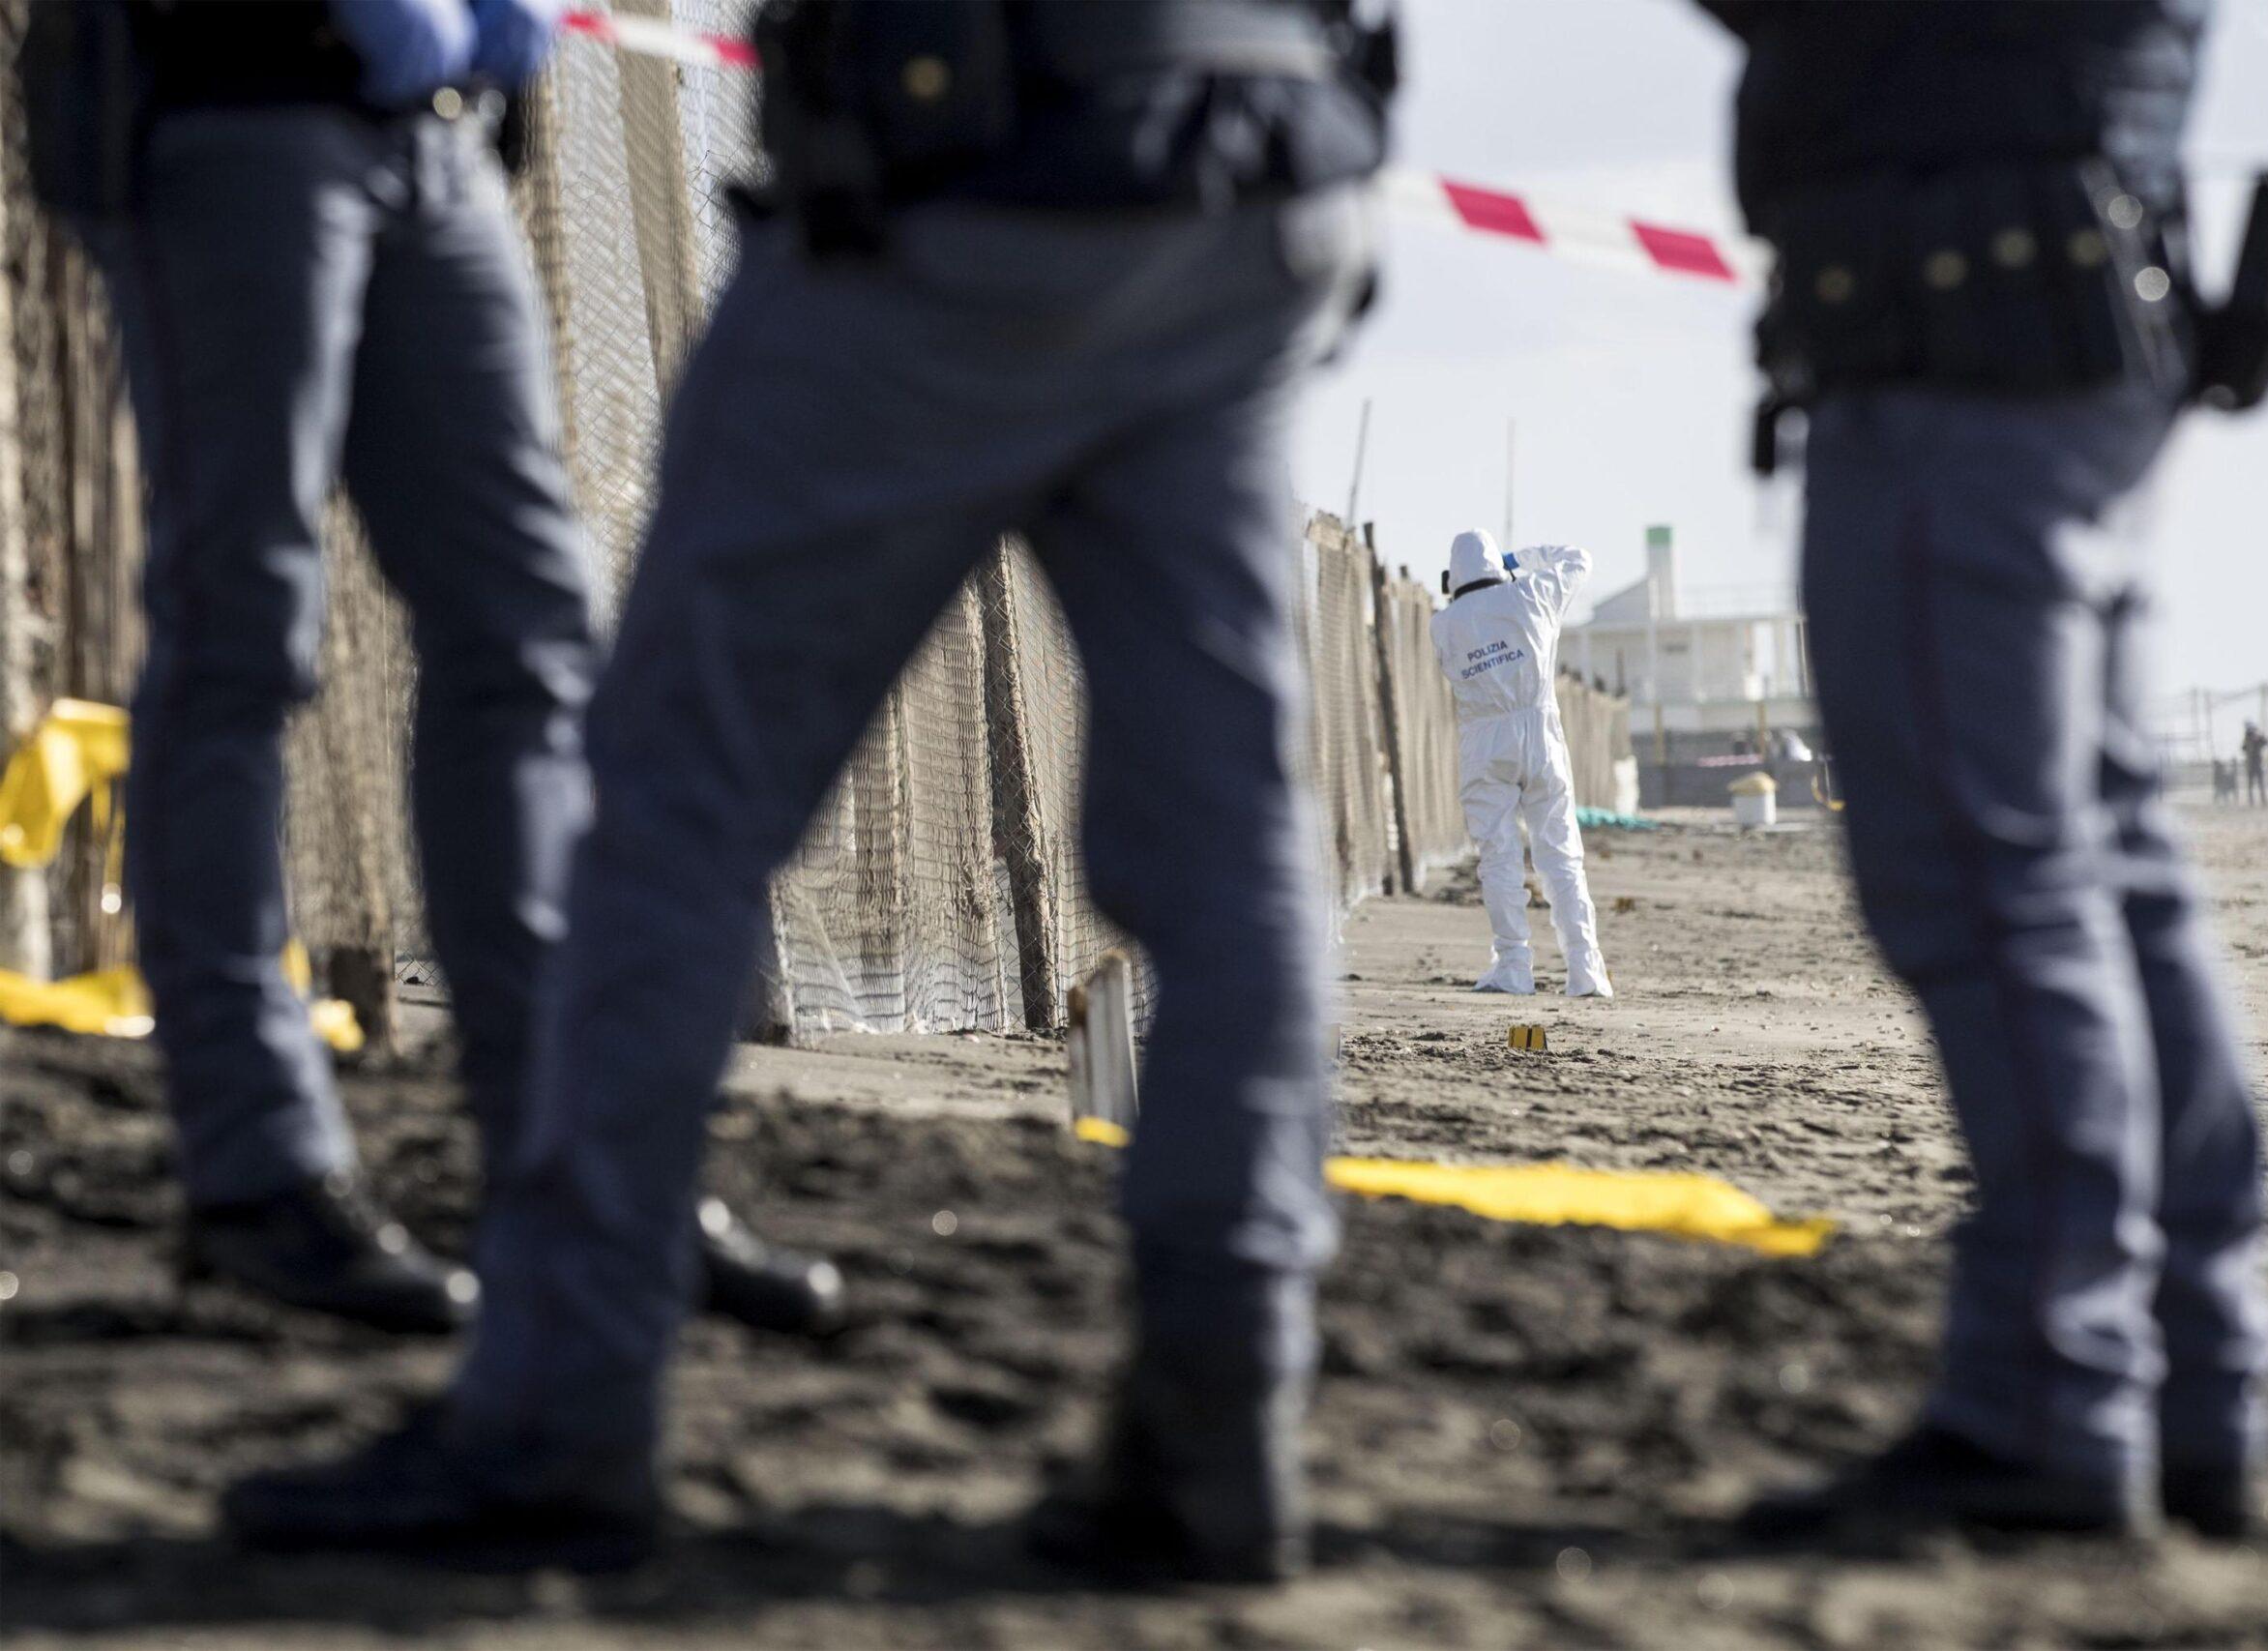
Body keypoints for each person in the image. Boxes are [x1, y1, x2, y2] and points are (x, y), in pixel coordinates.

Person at [220, 0, 1392, 1582]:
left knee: (668, 807)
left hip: (968, 171)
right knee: (1234, 837)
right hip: (1256, 166)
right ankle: (1224, 1412)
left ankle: (558, 1407)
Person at [44, 0, 836, 1339]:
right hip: (223, 96)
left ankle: (575, 1161)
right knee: (241, 629)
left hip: (433, 130)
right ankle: (258, 1168)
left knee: (529, 628)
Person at [1697, 0, 2268, 1540]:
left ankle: (2054, 1386)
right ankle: (2186, 1374)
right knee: (2103, 861)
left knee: (1991, 875)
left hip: (1963, 320)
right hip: (2063, 298)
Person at [1429, 530, 1612, 997]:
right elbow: (1578, 556)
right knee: (1561, 852)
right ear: (1497, 567)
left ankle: (1513, 964)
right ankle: (1585, 969)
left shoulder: (1443, 624)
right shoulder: (1533, 594)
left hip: (1483, 739)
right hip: (1539, 730)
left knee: (1498, 856)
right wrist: (1521, 559)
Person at [2243, 720, 2268, 807]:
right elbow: (2243, 748)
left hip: (2257, 764)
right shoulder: (2247, 739)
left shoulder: (2258, 739)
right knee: (2251, 785)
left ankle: (2263, 801)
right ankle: (2252, 801)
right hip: (2251, 764)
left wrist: (2259, 737)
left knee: (2260, 784)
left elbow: (2266, 742)